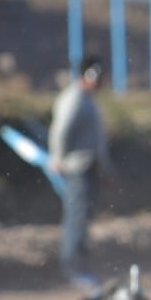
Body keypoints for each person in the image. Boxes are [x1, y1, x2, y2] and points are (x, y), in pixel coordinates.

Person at [48, 56, 114, 288]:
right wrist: (57, 158)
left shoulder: (87, 99)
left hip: (89, 169)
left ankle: (80, 267)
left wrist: (104, 170)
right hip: (77, 170)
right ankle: (72, 269)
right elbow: (61, 131)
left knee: (82, 218)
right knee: (76, 219)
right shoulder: (74, 98)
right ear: (90, 75)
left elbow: (96, 141)